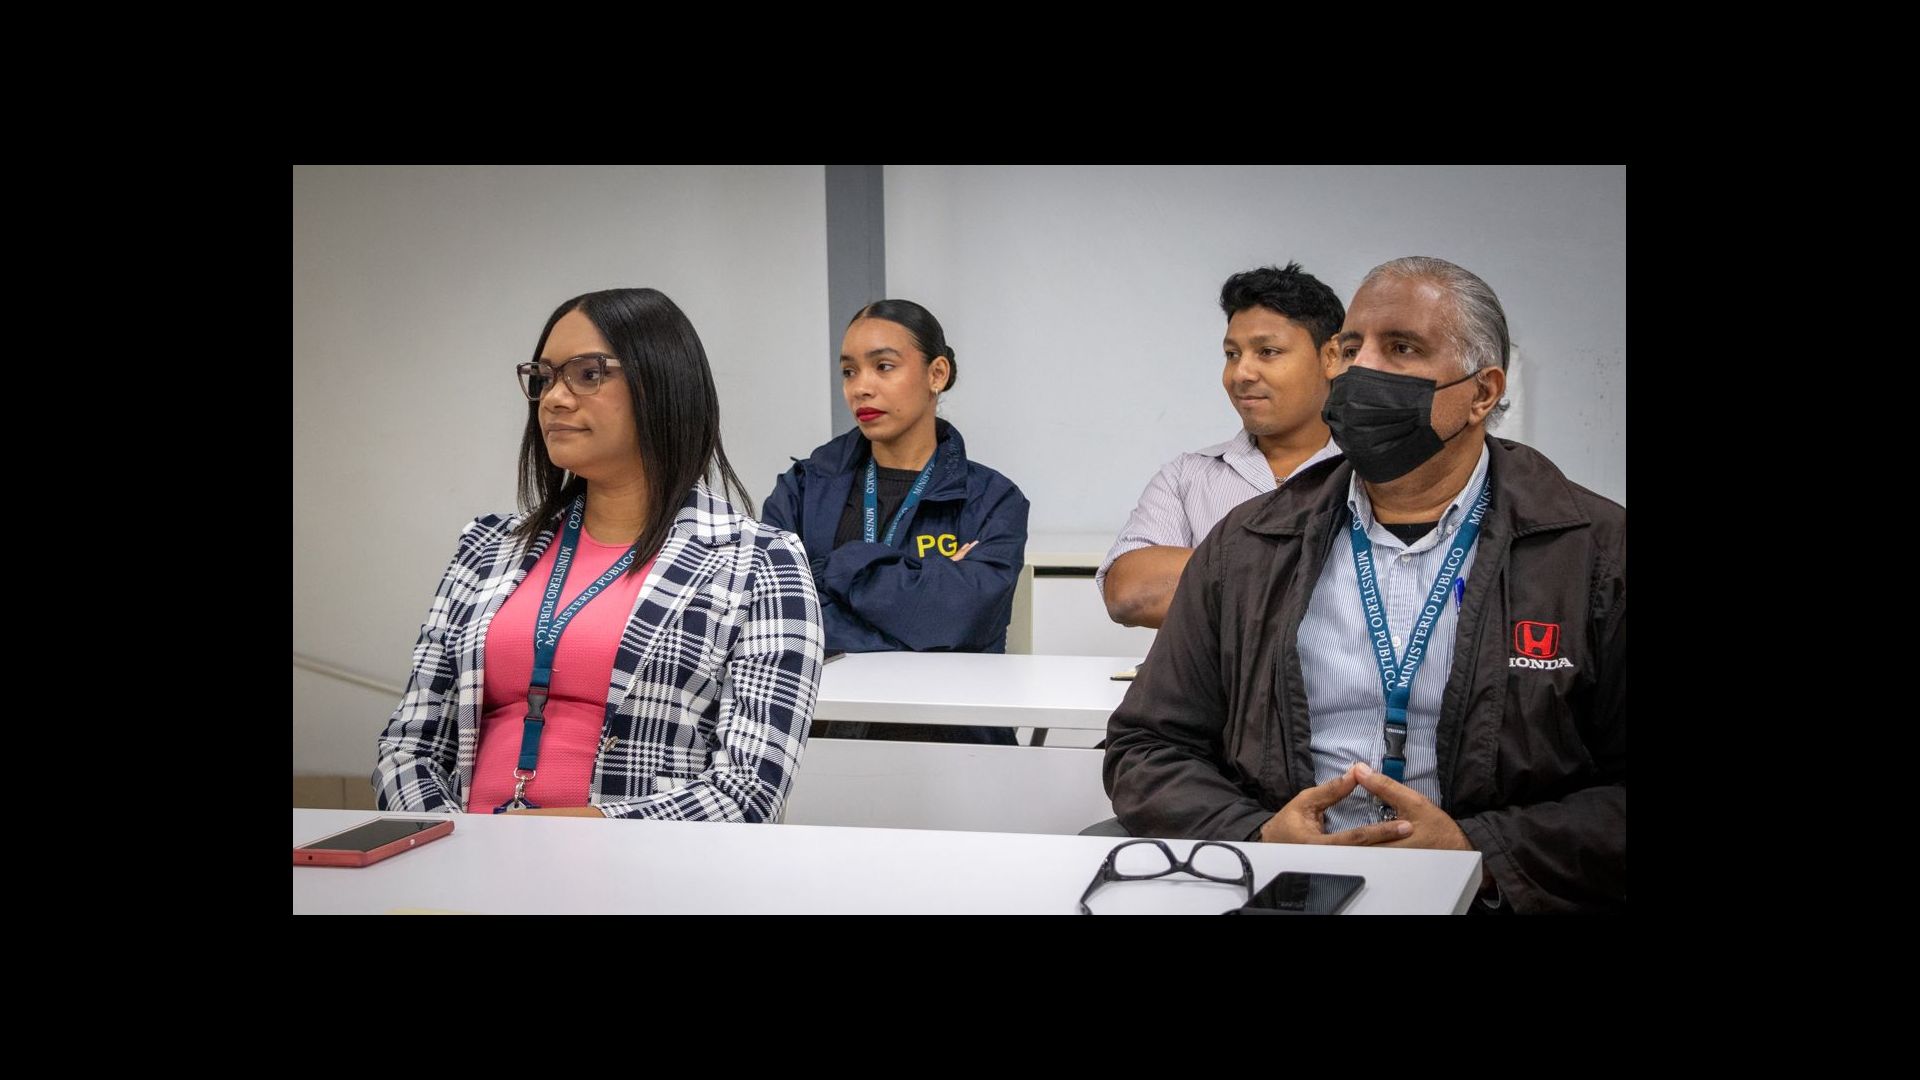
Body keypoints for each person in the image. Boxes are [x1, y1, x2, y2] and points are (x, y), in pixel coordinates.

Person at [1103, 257, 1626, 913]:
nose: (1358, 370)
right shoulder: (1249, 541)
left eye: (1401, 348)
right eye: (1350, 349)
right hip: (1288, 891)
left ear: (1483, 393)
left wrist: (1480, 851)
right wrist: (1258, 836)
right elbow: (1146, 747)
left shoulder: (1595, 552)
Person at [374, 288, 824, 820]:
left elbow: (747, 793)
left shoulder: (759, 562)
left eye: (588, 374)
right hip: (463, 858)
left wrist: (560, 835)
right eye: (544, 377)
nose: (554, 398)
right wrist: (450, 841)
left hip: (640, 865)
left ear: (662, 383)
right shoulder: (487, 547)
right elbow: (408, 749)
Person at [763, 299, 1029, 744]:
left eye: (883, 367)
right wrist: (925, 595)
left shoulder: (993, 499)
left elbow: (959, 621)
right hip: (821, 737)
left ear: (936, 374)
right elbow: (779, 618)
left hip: (954, 740)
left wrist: (832, 569)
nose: (860, 388)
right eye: (849, 371)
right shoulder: (804, 488)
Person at [1098, 263, 1346, 629]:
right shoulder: (1187, 477)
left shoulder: (1368, 476)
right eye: (1232, 354)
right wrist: (1312, 575)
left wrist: (1210, 579)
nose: (1241, 373)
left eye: (1268, 351)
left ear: (1332, 357)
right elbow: (1130, 591)